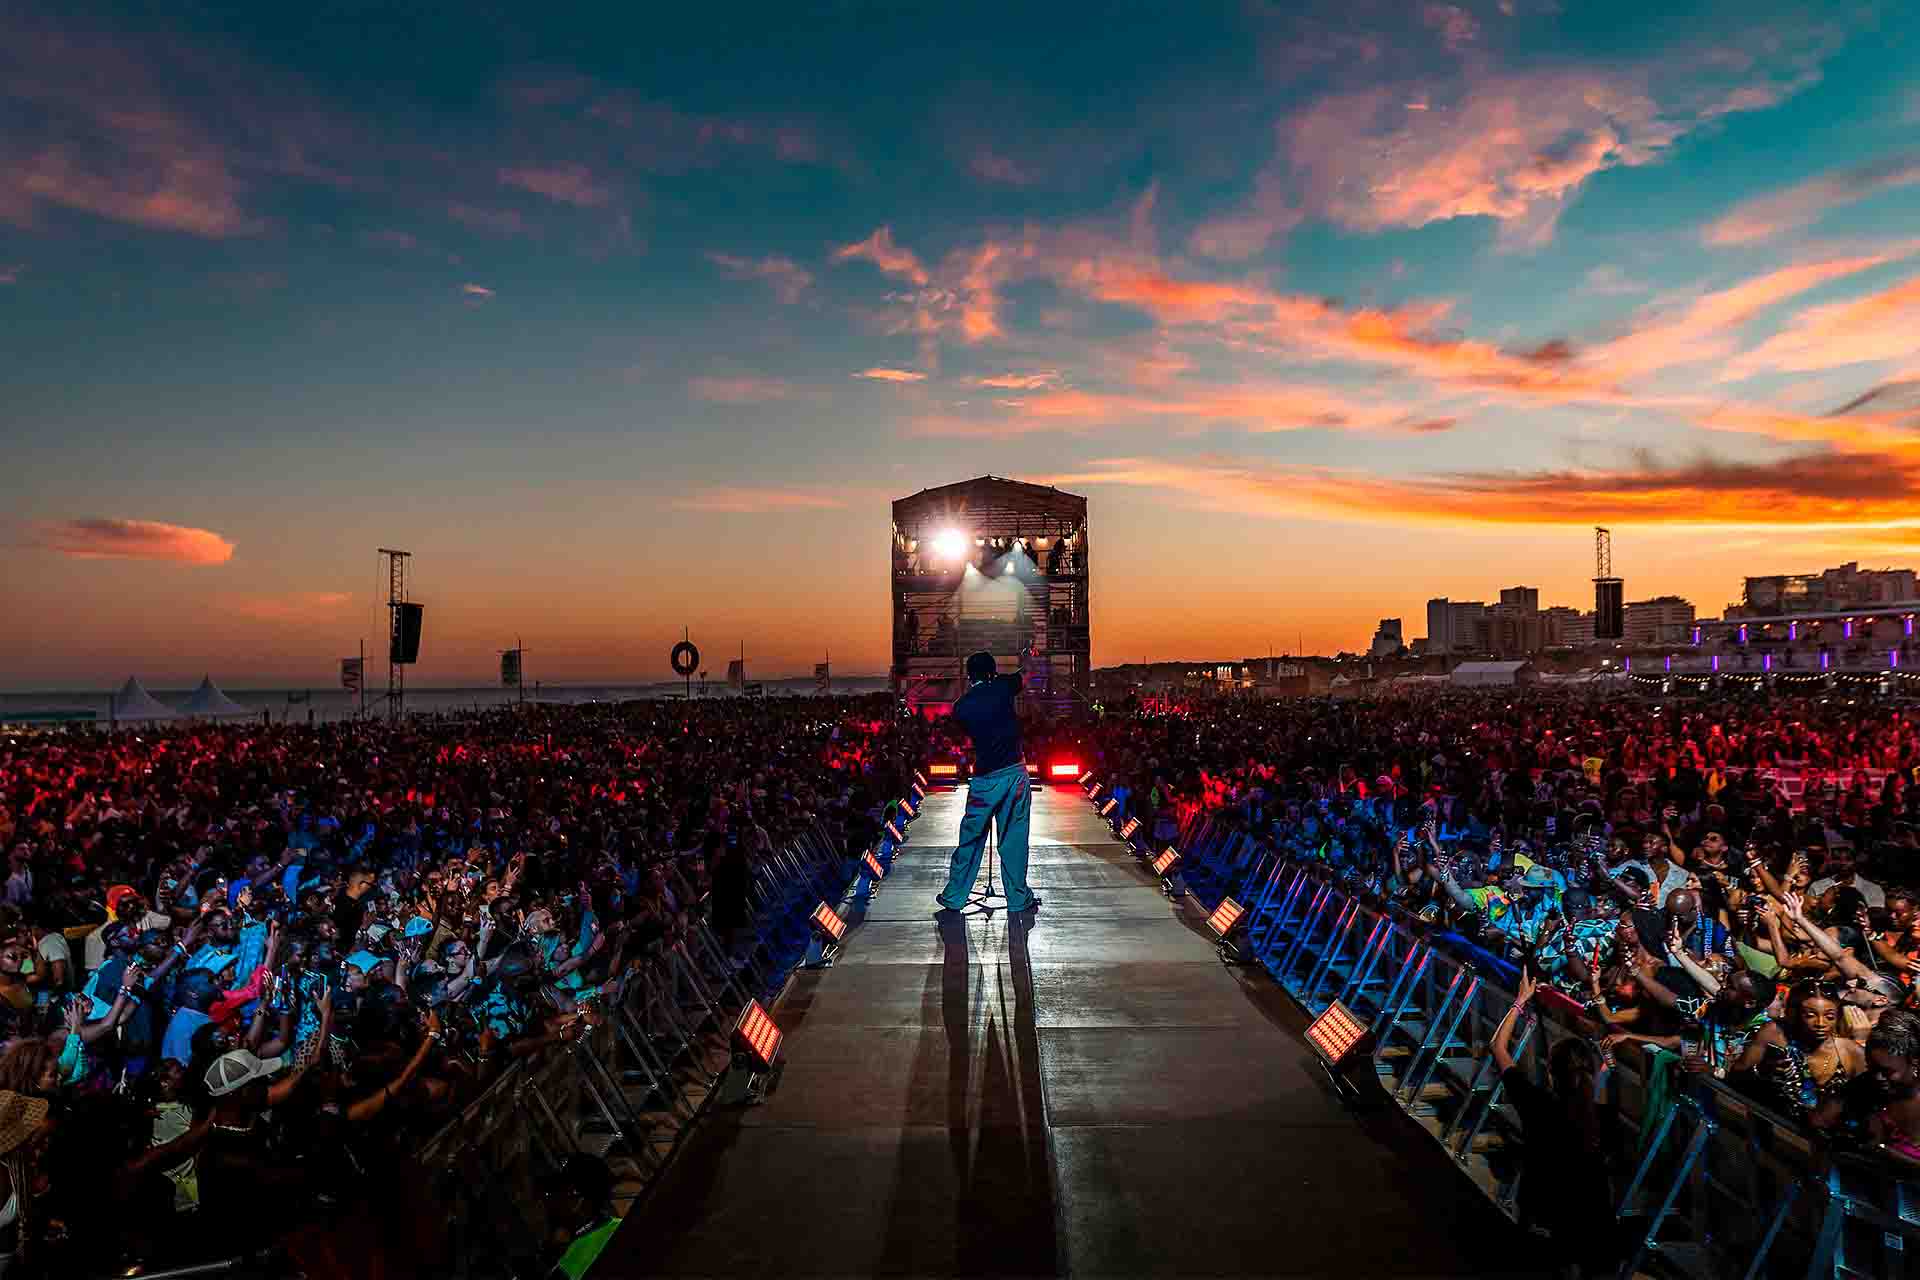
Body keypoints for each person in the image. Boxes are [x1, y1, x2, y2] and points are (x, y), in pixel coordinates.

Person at [935, 652, 1039, 914]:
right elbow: (1026, 674)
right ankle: (1017, 898)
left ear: (969, 676)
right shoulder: (1003, 687)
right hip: (1014, 772)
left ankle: (955, 895)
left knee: (970, 838)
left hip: (984, 778)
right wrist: (1028, 658)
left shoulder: (961, 707)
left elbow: (968, 737)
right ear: (992, 672)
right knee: (1014, 838)